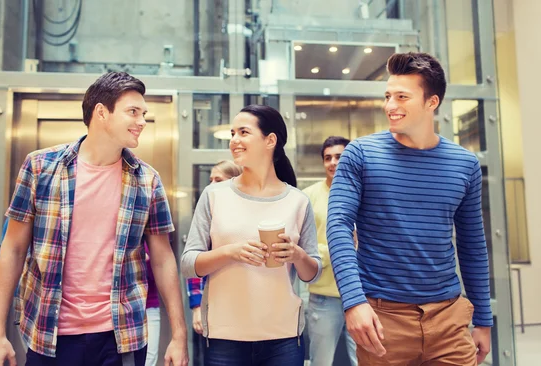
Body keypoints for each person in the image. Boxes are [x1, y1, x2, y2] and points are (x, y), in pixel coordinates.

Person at [0, 72, 189, 366]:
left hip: (121, 336)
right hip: (48, 332)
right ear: (101, 112)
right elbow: (13, 249)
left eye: (143, 113)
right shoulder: (41, 166)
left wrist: (178, 336)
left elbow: (162, 258)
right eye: (133, 112)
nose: (142, 121)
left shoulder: (147, 180)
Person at [327, 52, 492, 366]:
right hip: (383, 320)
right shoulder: (360, 154)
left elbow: (472, 245)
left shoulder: (465, 164)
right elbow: (338, 227)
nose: (390, 105)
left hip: (449, 318)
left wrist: (483, 320)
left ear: (432, 102)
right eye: (388, 96)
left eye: (402, 97)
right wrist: (353, 303)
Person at [181, 104, 322, 366]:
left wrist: (298, 254)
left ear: (270, 140)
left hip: (284, 337)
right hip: (225, 337)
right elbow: (188, 264)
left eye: (243, 132)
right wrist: (229, 252)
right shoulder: (214, 196)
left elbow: (311, 273)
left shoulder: (298, 201)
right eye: (233, 133)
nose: (234, 140)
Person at [303, 136, 357, 366]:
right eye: (328, 158)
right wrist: (341, 249)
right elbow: (304, 246)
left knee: (367, 360)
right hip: (324, 298)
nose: (333, 162)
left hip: (364, 296)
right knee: (321, 363)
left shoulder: (367, 193)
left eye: (339, 156)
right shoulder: (308, 197)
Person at [187, 160, 242, 335]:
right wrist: (197, 307)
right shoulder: (207, 216)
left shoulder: (247, 215)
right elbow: (194, 263)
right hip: (215, 305)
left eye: (218, 180)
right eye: (210, 180)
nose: (211, 186)